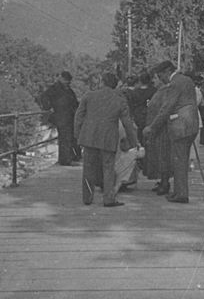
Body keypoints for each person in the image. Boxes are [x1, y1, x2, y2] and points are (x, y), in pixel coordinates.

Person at [74, 72, 138, 207]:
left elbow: (78, 116)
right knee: (108, 168)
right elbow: (127, 123)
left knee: (88, 168)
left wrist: (78, 135)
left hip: (89, 136)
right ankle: (108, 198)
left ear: (102, 82)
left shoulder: (89, 95)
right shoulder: (119, 99)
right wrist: (133, 142)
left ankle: (87, 198)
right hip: (108, 137)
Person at [143, 61, 199, 204]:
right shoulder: (187, 80)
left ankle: (181, 194)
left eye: (161, 75)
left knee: (179, 162)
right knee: (182, 160)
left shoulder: (174, 84)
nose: (161, 78)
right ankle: (179, 191)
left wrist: (152, 127)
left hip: (180, 127)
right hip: (191, 125)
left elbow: (166, 108)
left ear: (168, 71)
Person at [40, 71, 81, 166]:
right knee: (65, 138)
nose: (67, 82)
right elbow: (44, 97)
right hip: (61, 116)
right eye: (65, 80)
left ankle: (70, 157)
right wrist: (48, 106)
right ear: (61, 78)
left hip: (69, 116)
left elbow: (74, 102)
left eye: (68, 81)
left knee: (69, 138)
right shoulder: (54, 88)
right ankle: (66, 160)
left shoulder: (67, 89)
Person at [142, 70, 173, 195]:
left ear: (161, 79)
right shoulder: (159, 92)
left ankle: (165, 182)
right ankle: (162, 180)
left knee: (163, 155)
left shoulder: (165, 92)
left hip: (161, 129)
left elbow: (163, 111)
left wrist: (153, 126)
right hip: (156, 129)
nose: (153, 81)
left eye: (155, 78)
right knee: (158, 155)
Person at [130, 72, 156, 146]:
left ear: (140, 81)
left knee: (140, 137)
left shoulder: (134, 92)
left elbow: (132, 106)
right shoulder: (154, 91)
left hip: (138, 117)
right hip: (150, 116)